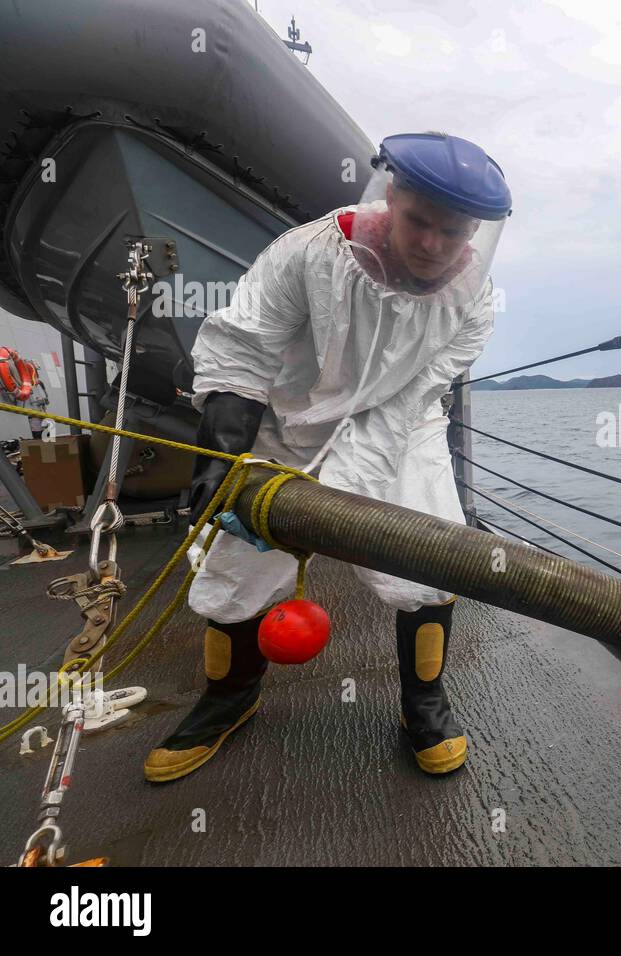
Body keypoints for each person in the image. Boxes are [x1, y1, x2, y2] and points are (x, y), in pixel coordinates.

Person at [143, 132, 511, 783]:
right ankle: (228, 698)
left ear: (475, 232)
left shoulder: (475, 299)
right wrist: (223, 456)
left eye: (450, 232)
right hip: (292, 424)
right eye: (417, 221)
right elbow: (241, 347)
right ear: (389, 198)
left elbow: (429, 382)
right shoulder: (306, 256)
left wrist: (354, 476)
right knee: (239, 571)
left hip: (406, 429)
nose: (430, 244)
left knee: (430, 565)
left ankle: (423, 703)